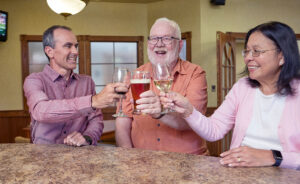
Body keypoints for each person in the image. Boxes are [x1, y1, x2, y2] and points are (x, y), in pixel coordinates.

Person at [160, 21, 300, 170]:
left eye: (257, 51)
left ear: (282, 56)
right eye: (247, 51)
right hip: (240, 175)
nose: (248, 58)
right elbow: (214, 130)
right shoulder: (242, 87)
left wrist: (273, 156)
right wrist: (188, 110)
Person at [115, 17, 208, 155]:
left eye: (167, 38)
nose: (159, 44)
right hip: (143, 163)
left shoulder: (195, 74)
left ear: (180, 45)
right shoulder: (136, 76)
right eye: (154, 39)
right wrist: (129, 158)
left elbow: (193, 121)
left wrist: (160, 113)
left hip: (187, 163)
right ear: (148, 43)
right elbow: (122, 124)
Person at [24, 25, 128, 146]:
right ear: (49, 51)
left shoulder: (87, 82)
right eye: (68, 46)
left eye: (76, 46)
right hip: (44, 158)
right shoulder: (34, 80)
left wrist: (87, 138)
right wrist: (92, 101)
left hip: (79, 156)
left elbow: (96, 121)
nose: (75, 52)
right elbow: (40, 111)